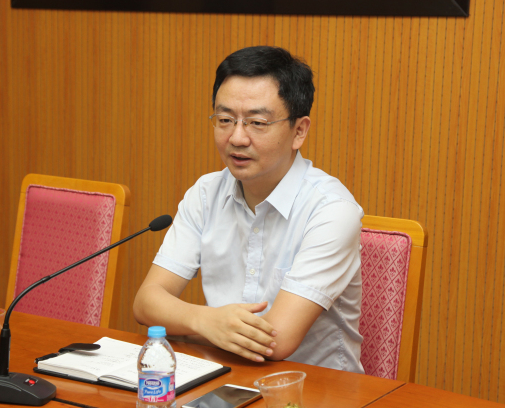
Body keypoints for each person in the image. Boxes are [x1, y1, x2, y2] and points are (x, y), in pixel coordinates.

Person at [133, 46, 364, 373]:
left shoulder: (331, 211)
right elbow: (146, 302)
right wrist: (205, 320)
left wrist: (182, 325)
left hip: (314, 391)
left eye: (257, 122)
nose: (237, 138)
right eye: (225, 120)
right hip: (220, 378)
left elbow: (276, 341)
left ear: (299, 131)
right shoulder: (205, 194)